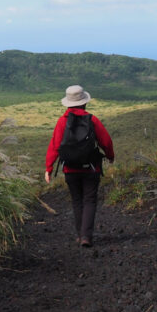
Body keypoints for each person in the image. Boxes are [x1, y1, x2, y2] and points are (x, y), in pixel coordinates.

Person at [45, 84, 115, 247]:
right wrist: (110, 156)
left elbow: (54, 146)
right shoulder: (92, 119)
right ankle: (86, 237)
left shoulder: (62, 122)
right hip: (91, 168)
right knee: (89, 200)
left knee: (77, 201)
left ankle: (79, 235)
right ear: (84, 102)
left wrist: (48, 168)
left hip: (70, 169)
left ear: (68, 103)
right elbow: (106, 141)